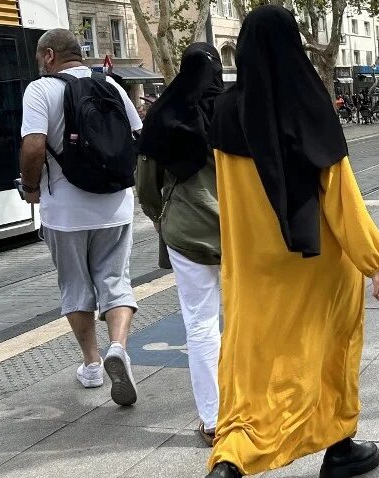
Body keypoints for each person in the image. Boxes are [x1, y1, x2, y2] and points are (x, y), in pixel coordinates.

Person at [205, 5, 379, 478]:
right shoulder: (308, 104)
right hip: (317, 265)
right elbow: (341, 197)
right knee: (328, 350)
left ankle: (234, 453)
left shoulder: (226, 110)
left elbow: (227, 197)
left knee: (255, 362)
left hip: (254, 266)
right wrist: (377, 262)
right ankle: (340, 446)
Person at [19, 29, 143, 404]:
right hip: (115, 205)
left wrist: (31, 188)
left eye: (40, 57)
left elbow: (33, 146)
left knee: (75, 286)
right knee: (116, 281)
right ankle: (118, 347)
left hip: (65, 211)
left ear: (50, 55)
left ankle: (91, 364)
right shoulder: (111, 85)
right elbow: (137, 134)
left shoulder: (40, 90)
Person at [135, 42, 223, 445]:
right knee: (247, 318)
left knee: (201, 322)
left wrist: (161, 219)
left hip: (187, 232)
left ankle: (213, 418)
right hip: (242, 231)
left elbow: (146, 186)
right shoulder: (235, 110)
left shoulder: (164, 114)